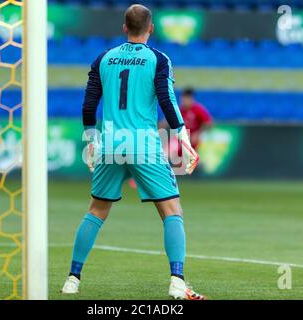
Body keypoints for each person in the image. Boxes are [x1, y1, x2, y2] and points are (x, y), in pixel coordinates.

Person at [61, 4, 205, 300]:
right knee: (171, 211)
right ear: (151, 28)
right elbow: (166, 99)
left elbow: (89, 106)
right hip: (143, 144)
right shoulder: (158, 59)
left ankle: (72, 279)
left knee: (96, 211)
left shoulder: (103, 59)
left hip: (111, 143)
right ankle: (177, 282)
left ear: (124, 27)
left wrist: (91, 140)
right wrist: (183, 137)